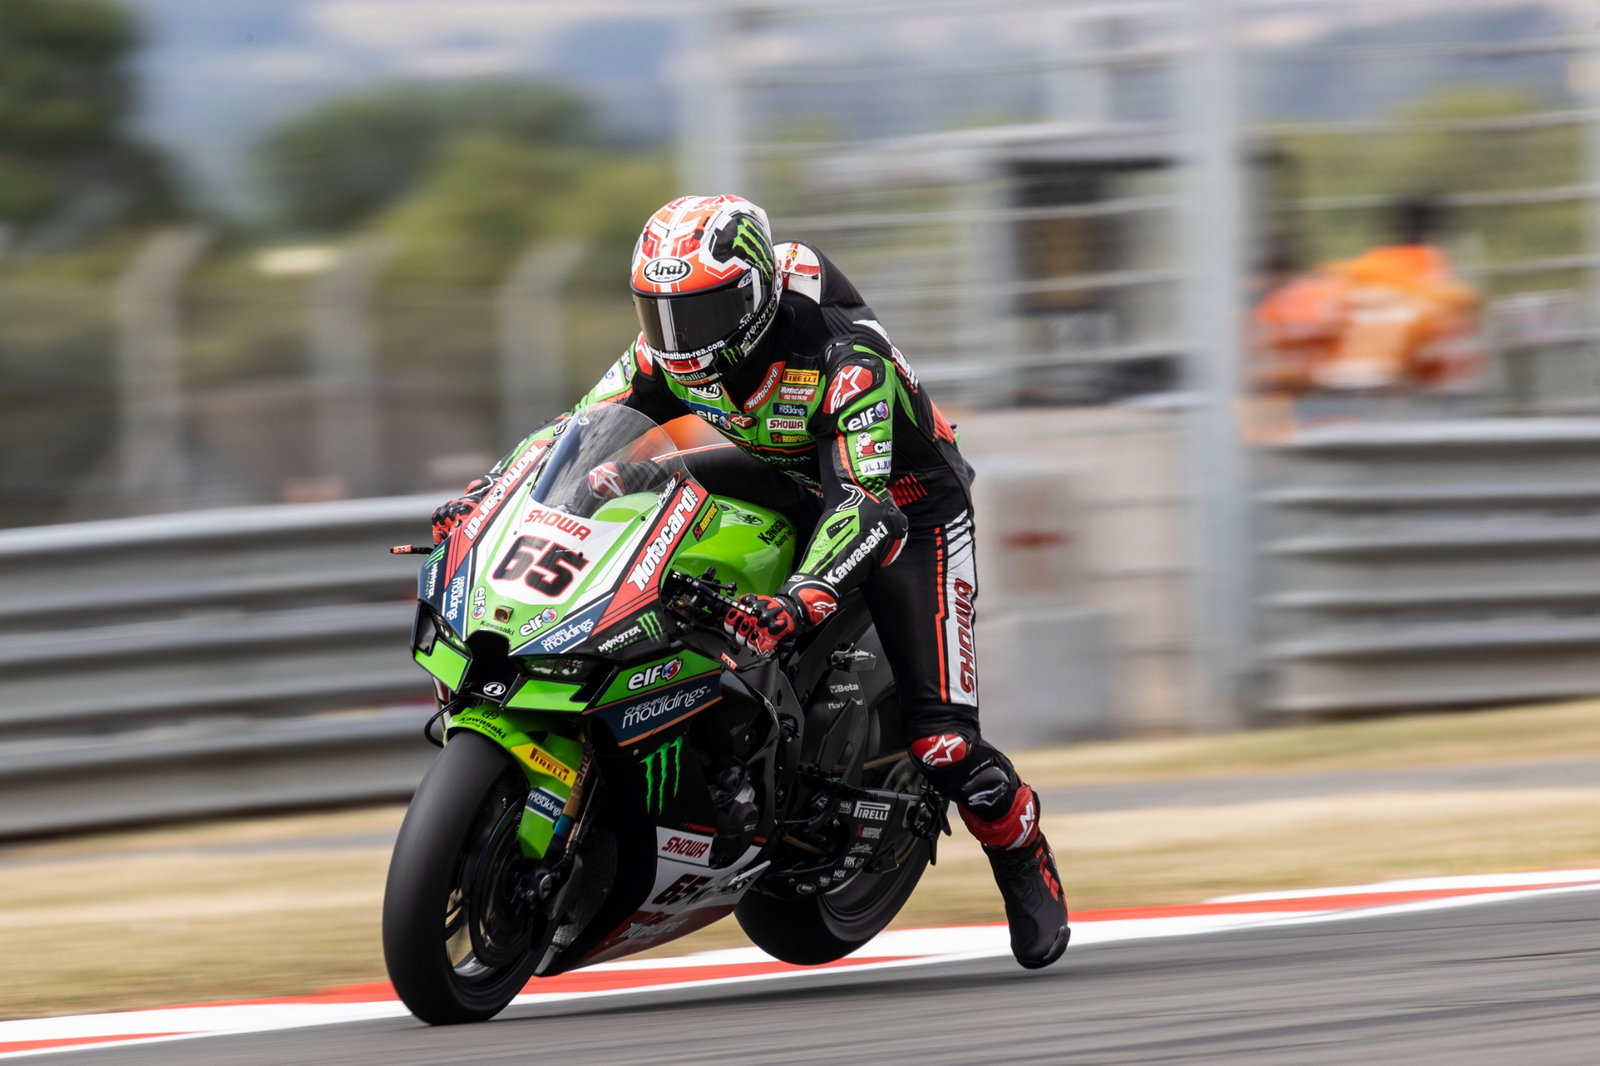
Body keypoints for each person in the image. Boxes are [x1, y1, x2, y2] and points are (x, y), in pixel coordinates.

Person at [431, 194, 1069, 969]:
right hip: (776, 469)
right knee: (621, 493)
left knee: (939, 741)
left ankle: (1021, 853)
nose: (677, 341)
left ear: (755, 297)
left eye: (697, 316)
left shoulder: (844, 359)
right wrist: (486, 497)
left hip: (903, 508)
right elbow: (569, 434)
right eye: (660, 315)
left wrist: (800, 598)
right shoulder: (660, 355)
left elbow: (862, 506)